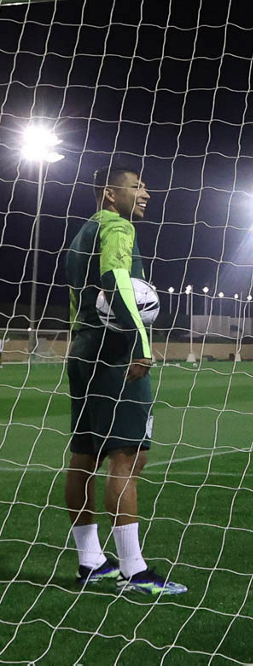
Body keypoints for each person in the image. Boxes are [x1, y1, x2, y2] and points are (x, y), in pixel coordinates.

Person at [64, 163, 186, 595]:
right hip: (115, 353)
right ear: (111, 194)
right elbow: (115, 280)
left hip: (83, 348)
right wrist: (141, 341)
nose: (146, 193)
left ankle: (91, 562)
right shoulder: (117, 226)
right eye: (137, 186)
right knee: (127, 457)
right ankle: (135, 572)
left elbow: (81, 298)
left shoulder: (82, 234)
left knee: (84, 456)